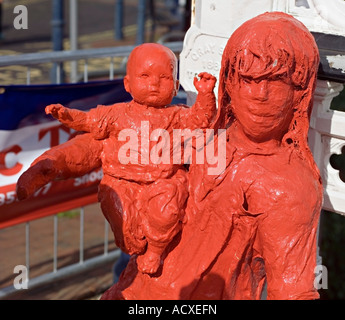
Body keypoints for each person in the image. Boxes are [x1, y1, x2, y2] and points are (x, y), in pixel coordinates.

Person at [100, 12, 323, 300]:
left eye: (276, 81)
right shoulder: (205, 139)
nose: (260, 94)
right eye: (248, 78)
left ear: (299, 94)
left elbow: (293, 293)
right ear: (229, 83)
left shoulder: (287, 187)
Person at [18, 43, 217, 275]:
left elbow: (200, 120)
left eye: (164, 78)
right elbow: (88, 121)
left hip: (164, 183)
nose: (154, 84)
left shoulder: (177, 115)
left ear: (175, 87)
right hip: (120, 181)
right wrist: (66, 115)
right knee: (124, 223)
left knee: (167, 212)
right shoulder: (116, 114)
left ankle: (155, 249)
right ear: (127, 84)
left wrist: (205, 95)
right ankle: (133, 253)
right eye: (145, 76)